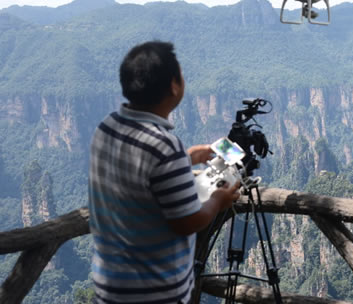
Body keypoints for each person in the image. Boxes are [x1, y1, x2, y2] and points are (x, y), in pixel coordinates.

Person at [88, 40, 240, 303]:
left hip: (110, 282)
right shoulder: (165, 146)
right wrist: (218, 201)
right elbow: (187, 222)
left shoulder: (108, 126)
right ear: (174, 86)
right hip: (153, 291)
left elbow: (136, 171)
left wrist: (187, 158)